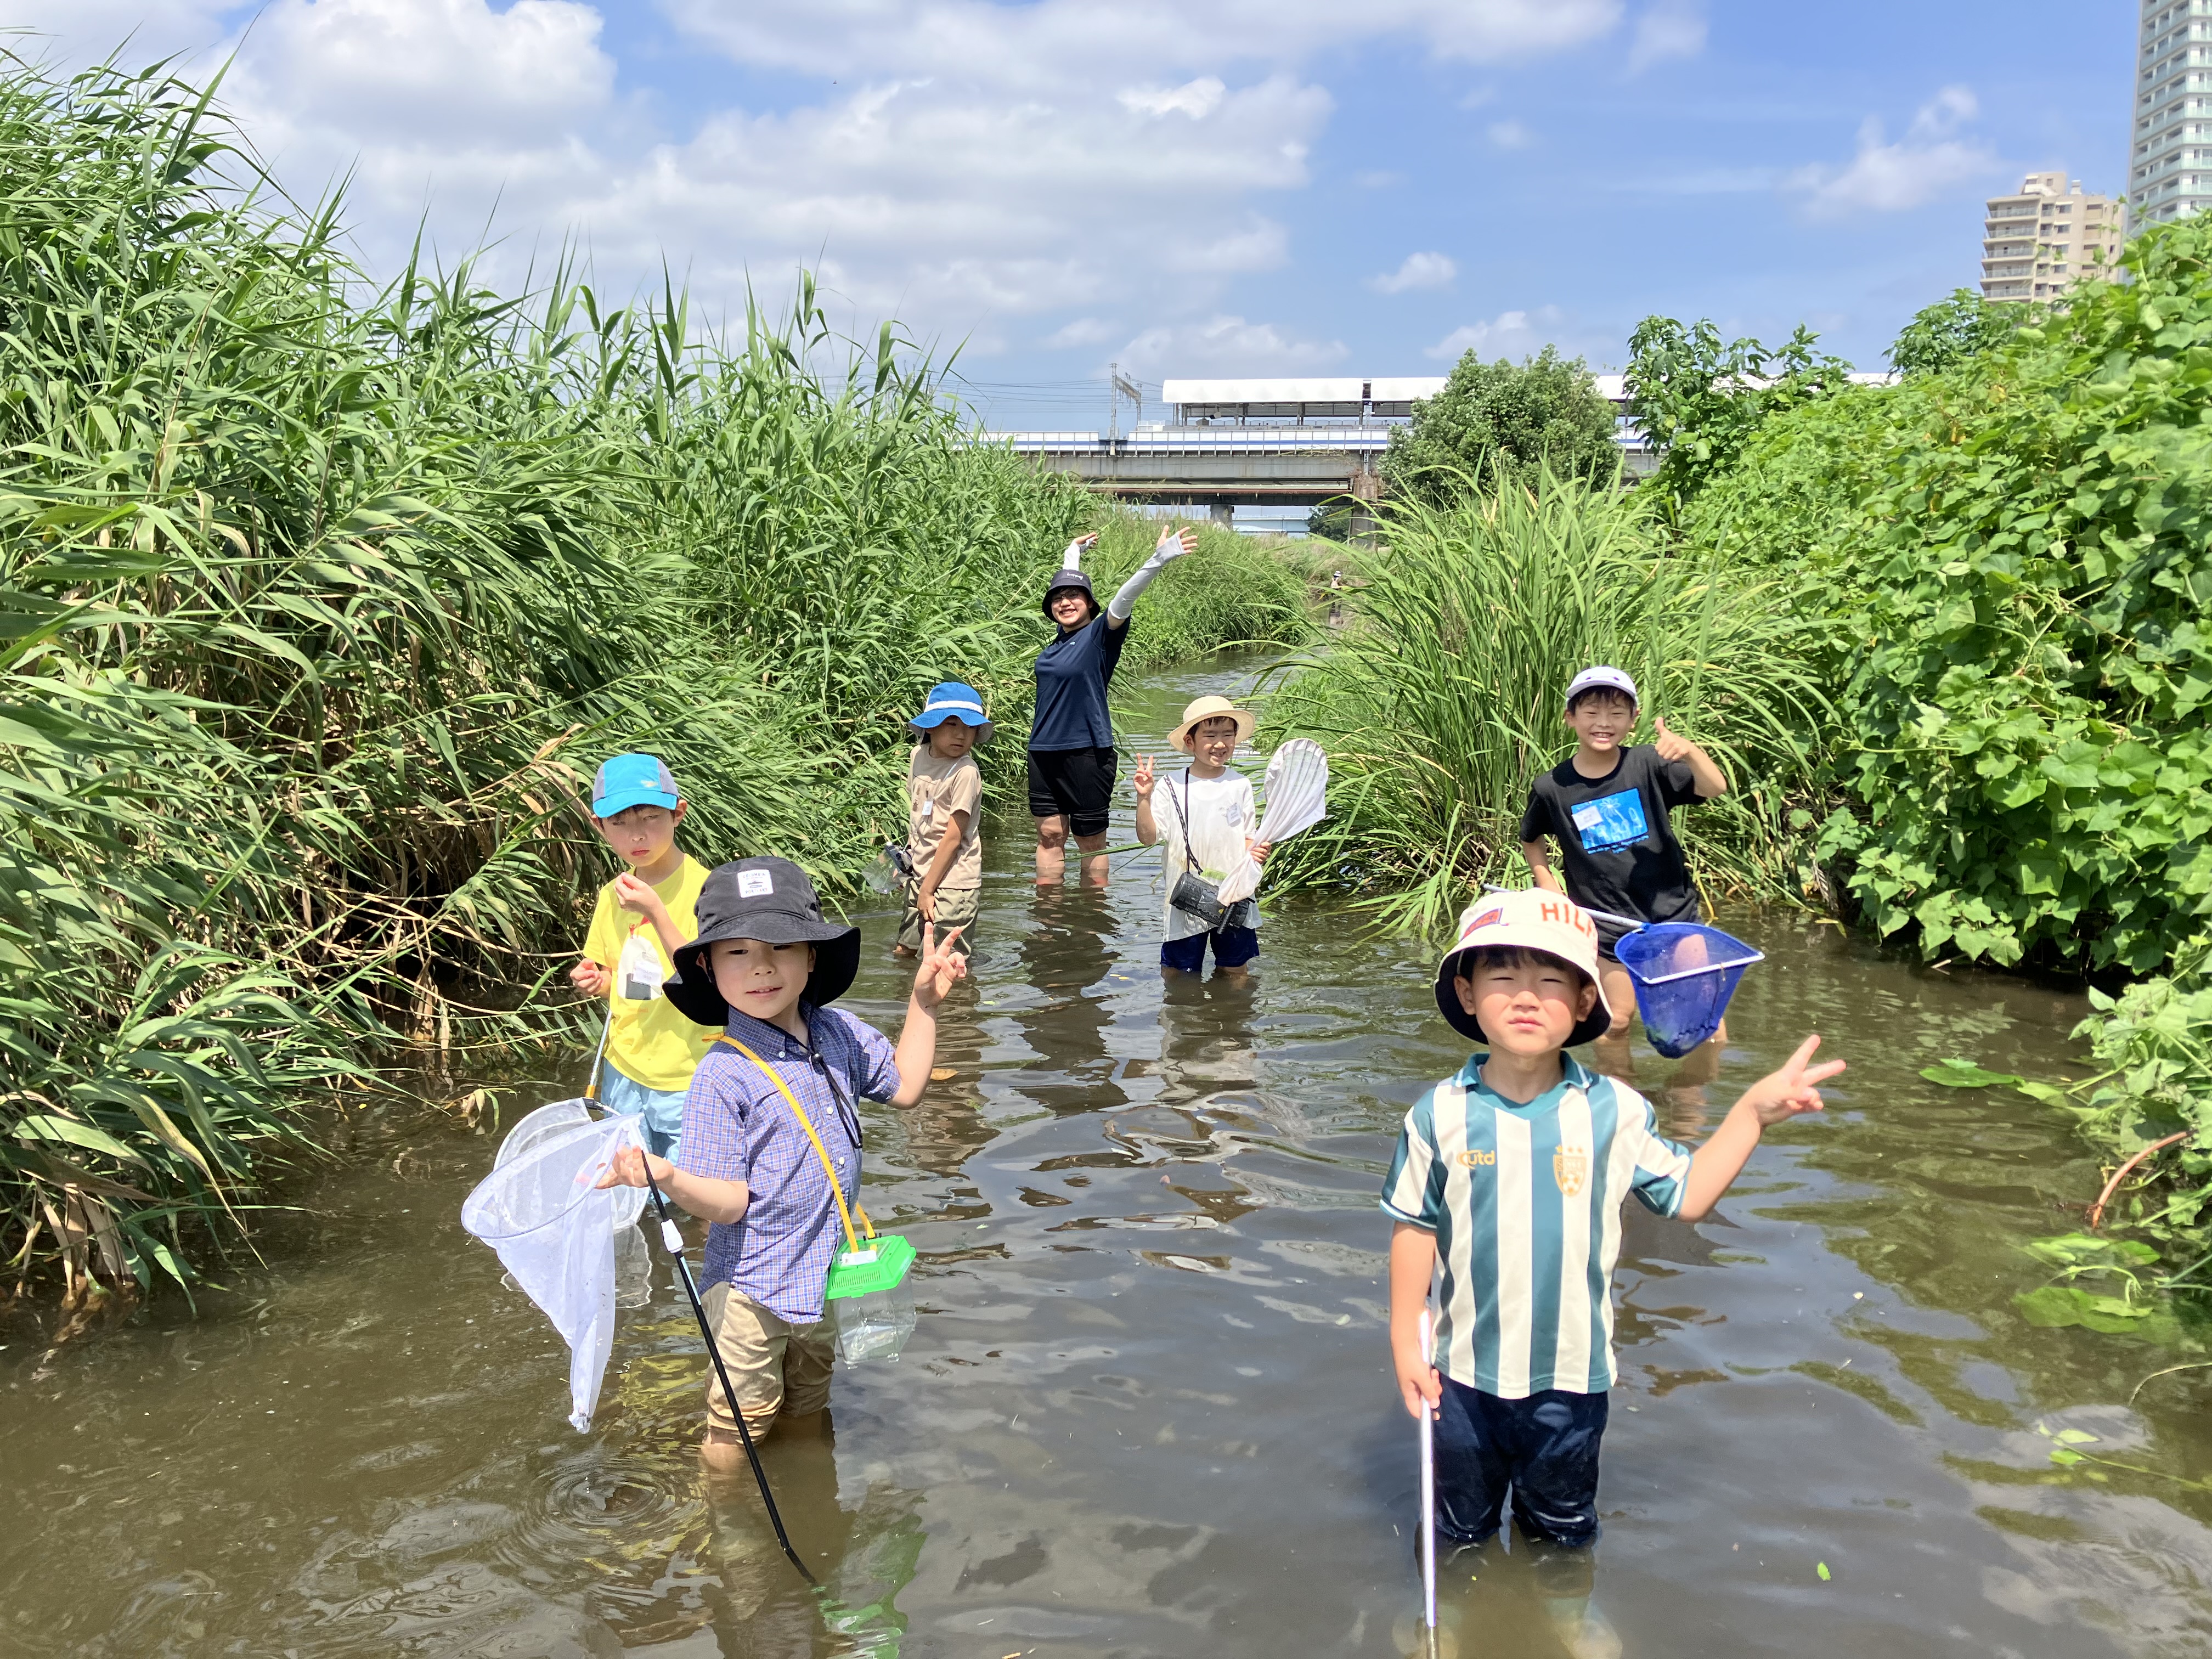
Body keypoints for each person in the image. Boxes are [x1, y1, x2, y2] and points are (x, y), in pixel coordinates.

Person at [1383, 889, 1841, 1653]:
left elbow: (1687, 1195)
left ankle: (1564, 1611)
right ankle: (1456, 1612)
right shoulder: (1439, 1113)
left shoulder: (1615, 1112)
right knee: (1457, 1522)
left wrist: (1751, 1115)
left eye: (1551, 978)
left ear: (1586, 1000)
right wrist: (1405, 1337)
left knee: (1563, 1527)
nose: (1526, 995)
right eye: (1502, 974)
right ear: (1467, 992)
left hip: (1573, 1377)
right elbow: (1414, 1226)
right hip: (1461, 1375)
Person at [598, 856, 966, 1468]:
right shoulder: (723, 1074)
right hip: (751, 1288)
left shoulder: (839, 1034)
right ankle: (731, 1531)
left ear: (812, 956)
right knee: (739, 1422)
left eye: (781, 945)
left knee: (807, 1405)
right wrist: (665, 1175)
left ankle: (813, 1498)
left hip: (824, 1276)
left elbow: (904, 1087)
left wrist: (923, 1003)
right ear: (708, 969)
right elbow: (730, 1201)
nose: (762, 965)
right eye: (736, 952)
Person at [1518, 666, 1728, 1062]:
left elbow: (1715, 787)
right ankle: (1622, 1104)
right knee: (1615, 1020)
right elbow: (1531, 838)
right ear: (1570, 718)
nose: (1603, 723)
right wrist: (1547, 883)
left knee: (1705, 1019)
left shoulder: (1648, 764)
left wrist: (1691, 753)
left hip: (1674, 918)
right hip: (1607, 926)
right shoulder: (1553, 787)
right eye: (1591, 712)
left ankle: (1691, 1113)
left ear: (1633, 721)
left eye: (1617, 713)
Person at [1029, 524, 1198, 884]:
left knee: (1090, 843)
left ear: (1090, 604)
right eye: (1058, 598)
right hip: (1043, 752)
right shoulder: (1058, 643)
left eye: (1076, 596)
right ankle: (1047, 924)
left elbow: (1124, 598)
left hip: (1087, 753)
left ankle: (1091, 928)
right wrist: (1072, 554)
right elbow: (1066, 589)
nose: (1065, 602)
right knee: (1049, 836)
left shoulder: (1100, 636)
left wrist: (1158, 559)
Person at [570, 753, 719, 1158]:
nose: (636, 835)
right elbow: (629, 985)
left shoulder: (710, 892)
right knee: (637, 1191)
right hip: (625, 1068)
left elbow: (712, 988)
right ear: (599, 827)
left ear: (678, 813)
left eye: (650, 817)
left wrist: (656, 912)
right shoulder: (610, 895)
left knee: (693, 1188)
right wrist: (598, 982)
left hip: (689, 1073)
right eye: (618, 822)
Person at [1132, 694, 1271, 980]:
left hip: (1234, 892)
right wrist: (1143, 799)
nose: (1220, 743)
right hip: (1186, 895)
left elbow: (1247, 837)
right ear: (1190, 741)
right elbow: (1148, 838)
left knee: (1236, 970)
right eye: (1210, 735)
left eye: (1227, 735)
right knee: (1178, 974)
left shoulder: (1240, 784)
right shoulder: (1171, 785)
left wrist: (1254, 852)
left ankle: (1232, 1022)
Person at [897, 680, 989, 960]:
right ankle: (904, 1002)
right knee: (905, 951)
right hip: (921, 874)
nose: (962, 735)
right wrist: (904, 863)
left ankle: (958, 1006)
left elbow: (953, 837)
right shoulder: (917, 757)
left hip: (954, 883)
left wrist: (928, 889)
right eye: (952, 724)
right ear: (931, 726)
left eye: (970, 727)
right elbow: (919, 818)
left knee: (946, 962)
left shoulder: (965, 773)